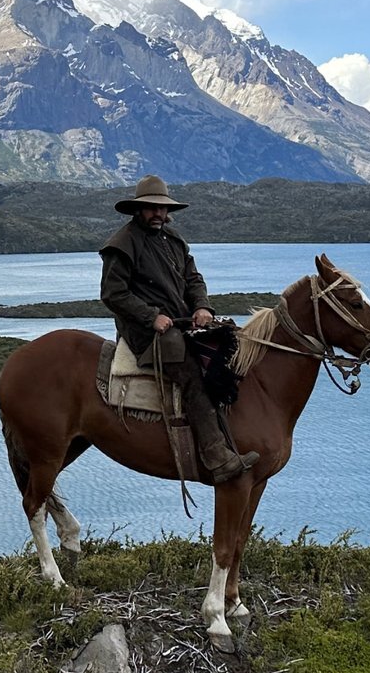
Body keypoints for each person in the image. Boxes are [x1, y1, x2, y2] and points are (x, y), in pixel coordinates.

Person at [100, 176, 259, 484]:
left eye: (162, 208)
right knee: (191, 373)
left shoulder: (173, 241)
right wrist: (151, 317)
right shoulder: (121, 244)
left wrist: (202, 308)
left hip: (182, 322)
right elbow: (113, 294)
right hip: (146, 333)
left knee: (228, 349)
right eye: (151, 208)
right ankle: (216, 456)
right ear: (138, 209)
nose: (158, 213)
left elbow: (194, 280)